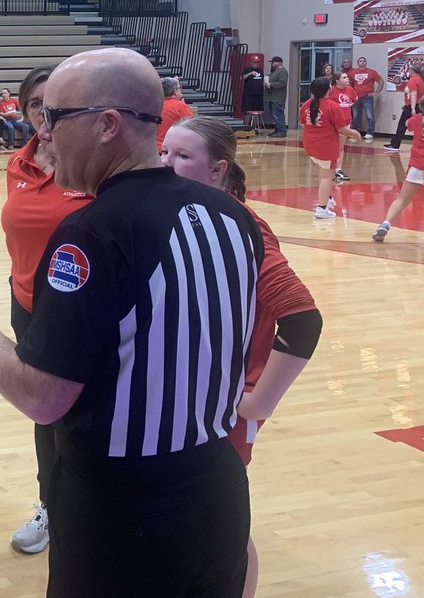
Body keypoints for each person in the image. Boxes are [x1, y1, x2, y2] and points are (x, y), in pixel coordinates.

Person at [0, 47, 262, 598]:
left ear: (107, 125)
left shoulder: (91, 232)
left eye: (56, 116)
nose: (43, 132)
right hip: (220, 489)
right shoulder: (233, 214)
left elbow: (43, 398)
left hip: (123, 514)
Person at [161, 116, 323, 598]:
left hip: (230, 403)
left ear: (218, 169)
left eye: (181, 156)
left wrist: (257, 401)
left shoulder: (242, 226)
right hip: (195, 393)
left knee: (220, 525)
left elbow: (302, 319)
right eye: (163, 151)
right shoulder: (184, 213)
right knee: (194, 516)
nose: (166, 162)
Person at [0, 66, 93, 555]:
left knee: (88, 414)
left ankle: (91, 510)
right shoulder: (19, 164)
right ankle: (50, 506)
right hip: (29, 308)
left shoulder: (94, 166)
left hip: (84, 314)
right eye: (36, 105)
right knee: (44, 413)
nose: (45, 113)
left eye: (54, 104)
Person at [299, 76, 360, 219]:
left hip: (310, 144)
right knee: (326, 177)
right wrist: (355, 133)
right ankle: (322, 209)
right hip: (326, 147)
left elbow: (303, 123)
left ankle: (328, 198)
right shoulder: (333, 106)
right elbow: (342, 129)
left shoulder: (306, 104)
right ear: (328, 89)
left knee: (324, 173)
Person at [372, 94, 424, 241]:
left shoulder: (416, 119)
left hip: (417, 167)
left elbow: (407, 123)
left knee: (401, 200)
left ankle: (385, 225)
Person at [385, 62, 423, 152]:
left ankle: (395, 145)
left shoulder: (413, 80)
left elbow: (414, 94)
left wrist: (412, 108)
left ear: (412, 70)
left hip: (413, 106)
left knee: (402, 125)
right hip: (417, 105)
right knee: (419, 125)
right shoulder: (420, 79)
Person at [331, 73, 357, 182]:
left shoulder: (350, 90)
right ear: (337, 81)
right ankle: (330, 169)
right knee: (332, 146)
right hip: (333, 123)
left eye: (347, 77)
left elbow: (354, 99)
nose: (347, 79)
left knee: (340, 147)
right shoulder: (331, 90)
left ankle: (338, 169)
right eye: (344, 77)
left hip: (346, 121)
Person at [155, 76, 194, 151]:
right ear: (175, 91)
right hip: (170, 149)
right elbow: (193, 128)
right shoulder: (180, 106)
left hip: (153, 148)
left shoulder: (154, 105)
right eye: (179, 88)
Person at [349, 56, 383, 140]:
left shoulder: (372, 72)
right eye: (360, 61)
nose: (362, 62)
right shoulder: (353, 73)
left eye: (364, 61)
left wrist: (376, 92)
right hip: (356, 97)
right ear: (358, 63)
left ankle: (370, 133)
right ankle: (355, 132)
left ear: (366, 62)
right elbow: (349, 82)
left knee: (370, 115)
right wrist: (351, 92)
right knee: (355, 116)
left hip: (367, 97)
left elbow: (381, 81)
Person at [264, 56, 289, 137]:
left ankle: (282, 131)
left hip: (278, 98)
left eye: (273, 62)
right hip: (272, 98)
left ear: (279, 63)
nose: (272, 64)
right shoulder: (275, 72)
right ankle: (277, 129)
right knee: (275, 115)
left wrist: (271, 84)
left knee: (278, 115)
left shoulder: (283, 72)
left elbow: (282, 83)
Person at [240, 60, 265, 132]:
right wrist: (250, 74)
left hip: (258, 95)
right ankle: (245, 128)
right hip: (248, 95)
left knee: (256, 113)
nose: (256, 64)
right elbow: (241, 78)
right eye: (254, 62)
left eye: (257, 62)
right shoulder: (247, 69)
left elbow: (262, 80)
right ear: (251, 63)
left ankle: (254, 128)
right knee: (248, 112)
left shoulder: (260, 70)